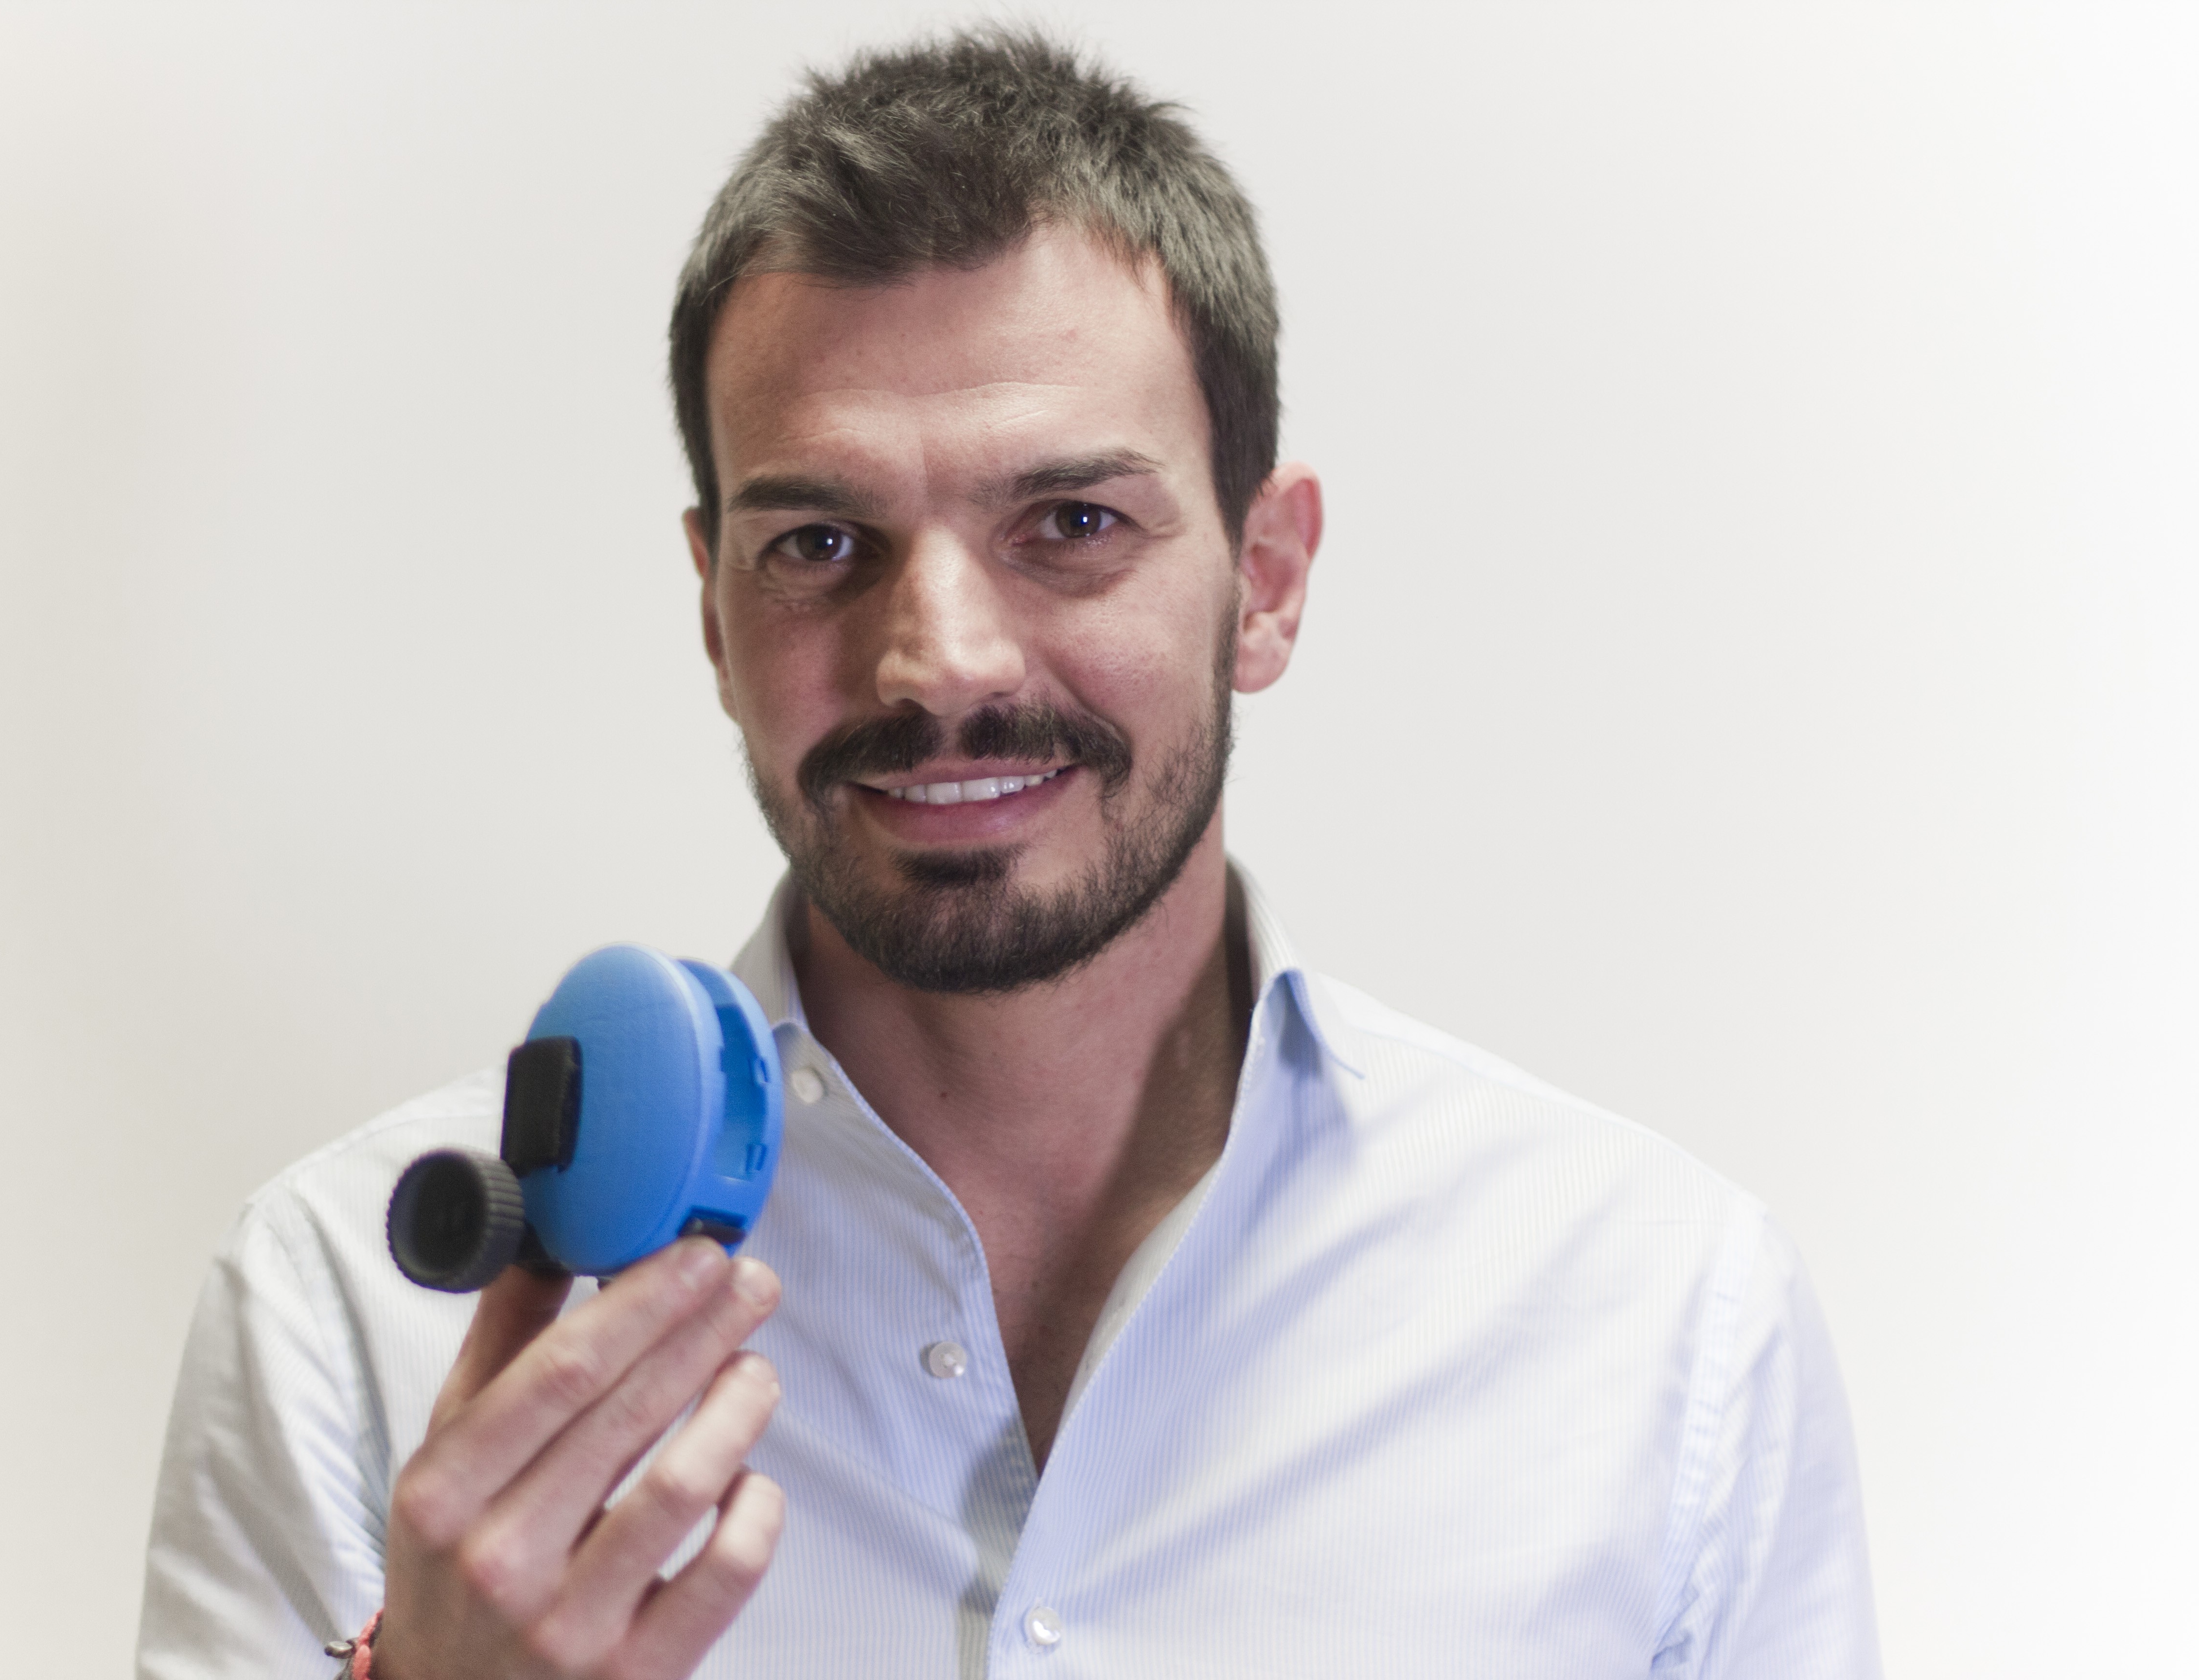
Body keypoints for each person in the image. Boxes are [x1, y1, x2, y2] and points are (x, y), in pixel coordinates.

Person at [139, 29, 1880, 1680]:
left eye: (1071, 523)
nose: (940, 661)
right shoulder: (348, 1316)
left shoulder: (1665, 1326)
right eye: (822, 542)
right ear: (716, 612)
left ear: (1267, 582)